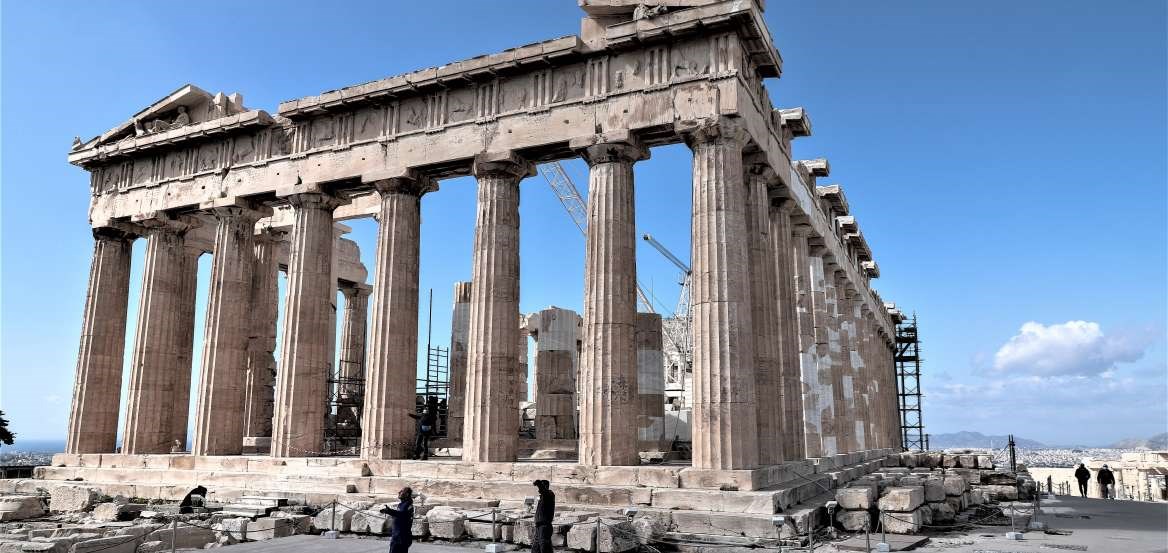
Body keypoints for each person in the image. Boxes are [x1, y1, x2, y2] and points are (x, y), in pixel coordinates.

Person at [380, 487, 415, 553]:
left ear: (407, 494)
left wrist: (389, 511)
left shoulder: (407, 505)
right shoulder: (401, 504)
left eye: (401, 491)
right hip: (397, 536)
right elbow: (399, 516)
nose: (399, 492)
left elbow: (402, 515)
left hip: (401, 538)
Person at [532, 479, 555, 553]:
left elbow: (544, 491)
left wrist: (539, 484)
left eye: (541, 487)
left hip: (544, 527)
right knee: (536, 548)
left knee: (544, 547)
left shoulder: (549, 494)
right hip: (539, 527)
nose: (538, 490)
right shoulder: (542, 497)